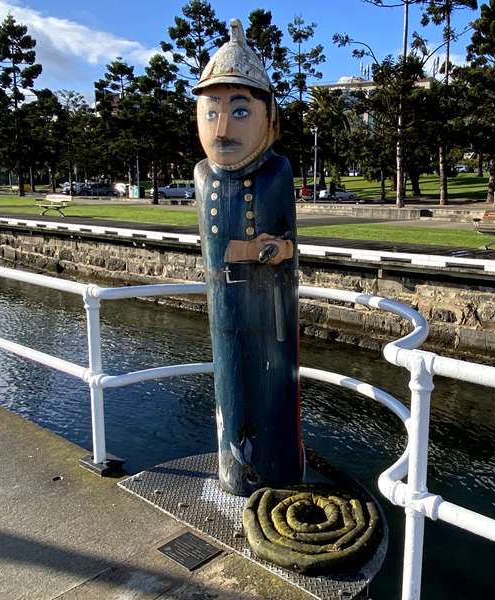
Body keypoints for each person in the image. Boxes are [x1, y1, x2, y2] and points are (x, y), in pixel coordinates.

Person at [192, 19, 302, 496]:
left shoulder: (278, 172)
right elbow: (217, 248)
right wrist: (242, 250)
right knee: (232, 389)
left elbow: (290, 242)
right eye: (211, 110)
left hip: (271, 308)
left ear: (268, 117)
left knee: (274, 390)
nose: (222, 128)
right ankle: (237, 472)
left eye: (239, 111)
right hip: (225, 307)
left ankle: (276, 468)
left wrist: (275, 250)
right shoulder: (203, 176)